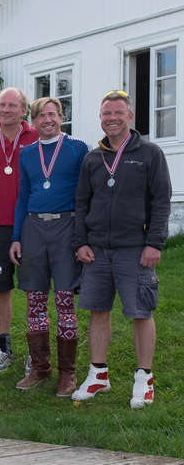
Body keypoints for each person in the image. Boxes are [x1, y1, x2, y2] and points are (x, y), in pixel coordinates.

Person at [71, 90, 171, 409]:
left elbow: (161, 201)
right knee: (98, 311)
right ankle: (98, 374)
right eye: (106, 114)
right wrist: (81, 242)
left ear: (130, 116)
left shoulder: (149, 154)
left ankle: (144, 379)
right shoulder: (92, 158)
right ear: (100, 118)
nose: (111, 118)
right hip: (97, 250)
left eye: (117, 113)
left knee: (140, 312)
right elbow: (81, 203)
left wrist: (154, 242)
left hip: (135, 248)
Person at [8, 97, 87, 397]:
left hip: (66, 226)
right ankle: (40, 367)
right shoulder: (27, 154)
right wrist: (16, 237)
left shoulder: (77, 149)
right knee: (35, 300)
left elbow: (85, 196)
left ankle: (68, 373)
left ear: (62, 116)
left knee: (65, 300)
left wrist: (82, 237)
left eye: (52, 115)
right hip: (33, 228)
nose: (47, 120)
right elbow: (22, 195)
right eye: (41, 116)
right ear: (34, 121)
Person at [0, 88, 38, 371]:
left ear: (24, 110)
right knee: (1, 288)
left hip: (30, 223)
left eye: (13, 105)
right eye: (2, 105)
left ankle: (34, 350)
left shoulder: (37, 138)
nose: (7, 109)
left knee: (32, 287)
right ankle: (4, 347)